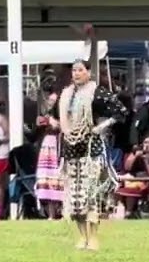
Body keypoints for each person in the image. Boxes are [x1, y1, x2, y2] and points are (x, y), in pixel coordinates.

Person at [46, 56, 128, 250]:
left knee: (91, 194)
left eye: (80, 70)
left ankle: (93, 237)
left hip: (92, 148)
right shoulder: (65, 95)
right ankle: (82, 236)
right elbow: (56, 117)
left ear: (88, 72)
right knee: (75, 197)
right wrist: (56, 123)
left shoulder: (96, 93)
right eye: (74, 70)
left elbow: (121, 111)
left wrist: (102, 126)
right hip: (71, 148)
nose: (76, 74)